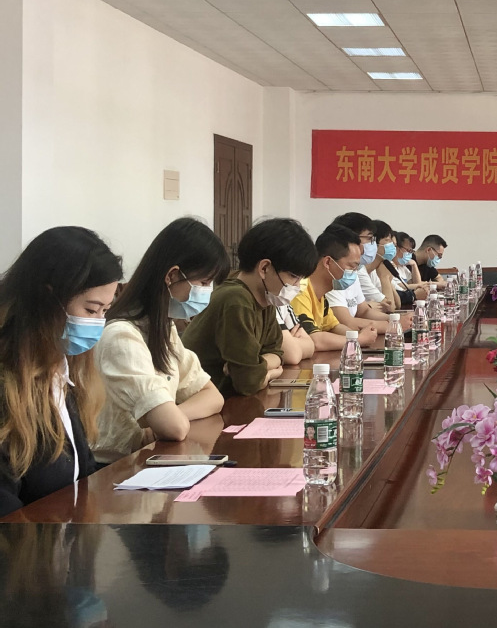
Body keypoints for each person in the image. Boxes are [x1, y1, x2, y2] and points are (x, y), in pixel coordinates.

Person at [0, 227, 122, 517]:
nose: (99, 323)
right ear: (47, 299)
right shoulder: (8, 385)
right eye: (91, 310)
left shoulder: (60, 372)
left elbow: (81, 474)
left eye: (105, 311)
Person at [93, 218, 228, 463]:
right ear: (172, 276)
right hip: (112, 468)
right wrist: (171, 420)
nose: (208, 291)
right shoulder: (121, 336)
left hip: (146, 457)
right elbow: (174, 428)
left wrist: (174, 414)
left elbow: (213, 396)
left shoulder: (162, 328)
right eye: (204, 283)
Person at [181, 218, 318, 397]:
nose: (297, 286)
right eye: (293, 277)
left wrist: (260, 365)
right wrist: (270, 373)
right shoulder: (236, 300)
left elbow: (277, 353)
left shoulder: (266, 299)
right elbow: (248, 382)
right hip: (205, 400)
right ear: (264, 268)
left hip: (226, 397)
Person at [291, 223, 378, 350]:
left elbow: (334, 327)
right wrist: (359, 340)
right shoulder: (300, 291)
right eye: (351, 266)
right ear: (327, 262)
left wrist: (358, 335)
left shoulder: (322, 295)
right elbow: (314, 340)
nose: (354, 273)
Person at [322, 224, 412, 335]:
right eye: (369, 239)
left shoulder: (353, 272)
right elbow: (348, 322)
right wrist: (394, 324)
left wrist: (396, 320)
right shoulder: (331, 281)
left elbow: (364, 311)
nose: (371, 245)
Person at [333, 212, 392, 312]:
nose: (373, 243)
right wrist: (385, 278)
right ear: (350, 237)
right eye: (369, 238)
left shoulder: (356, 269)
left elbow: (364, 311)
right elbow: (389, 306)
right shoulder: (336, 273)